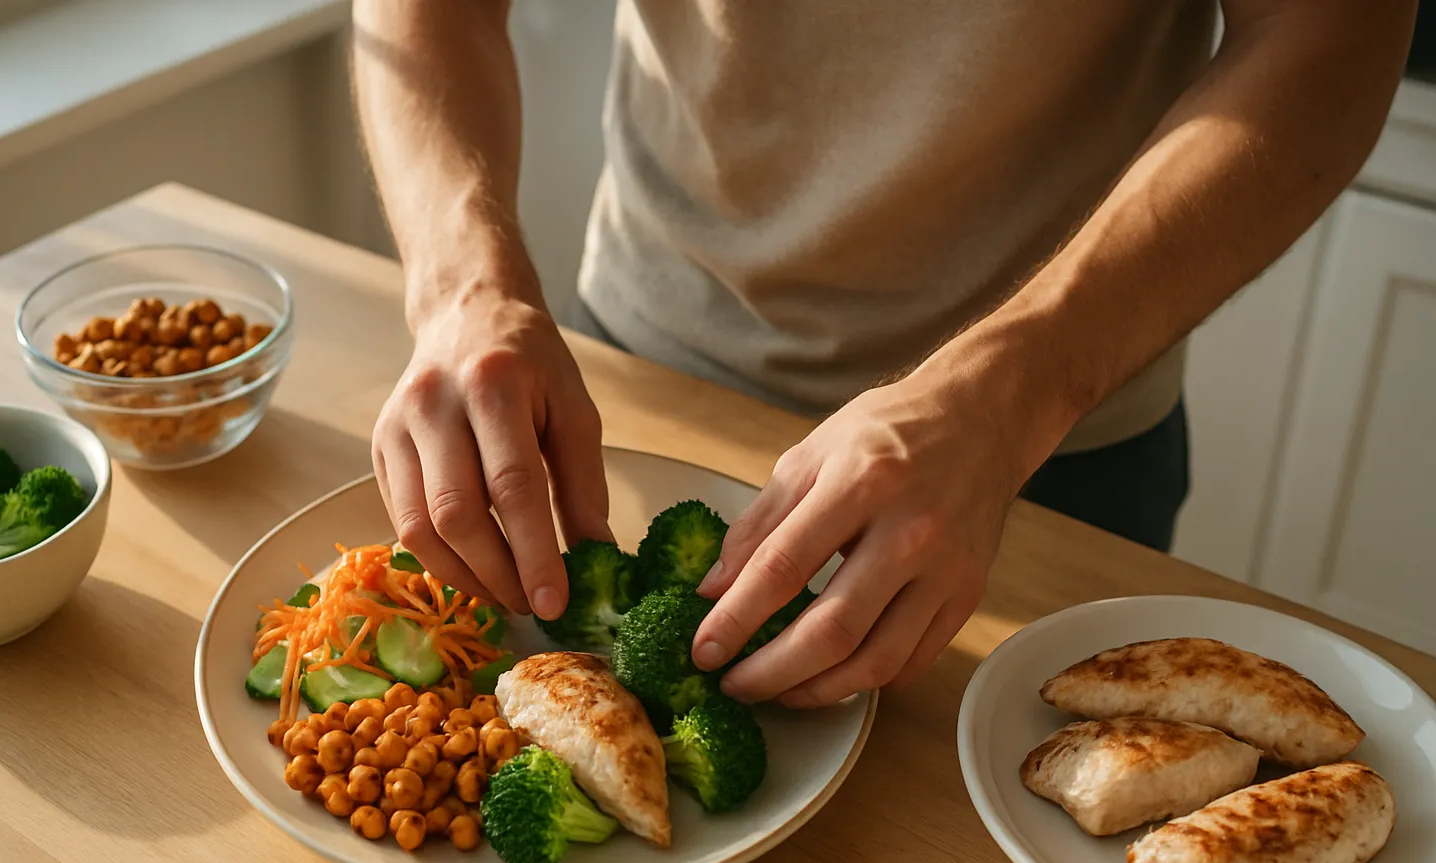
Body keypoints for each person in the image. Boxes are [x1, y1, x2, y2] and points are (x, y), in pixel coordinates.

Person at [351, 1, 1414, 709]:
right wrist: (462, 287)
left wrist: (1007, 400)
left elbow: (1333, 38)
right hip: (633, 381)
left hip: (1047, 445)